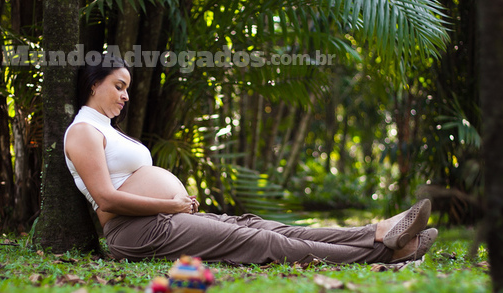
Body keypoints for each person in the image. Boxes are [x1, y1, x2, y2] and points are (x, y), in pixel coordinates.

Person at [64, 58, 438, 264]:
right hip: (134, 232)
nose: (126, 95)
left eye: (127, 87)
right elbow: (107, 198)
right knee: (257, 241)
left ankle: (376, 231)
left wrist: (174, 207)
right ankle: (387, 251)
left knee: (260, 224)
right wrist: (171, 203)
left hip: (162, 220)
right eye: (119, 86)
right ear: (94, 84)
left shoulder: (105, 129)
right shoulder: (82, 131)